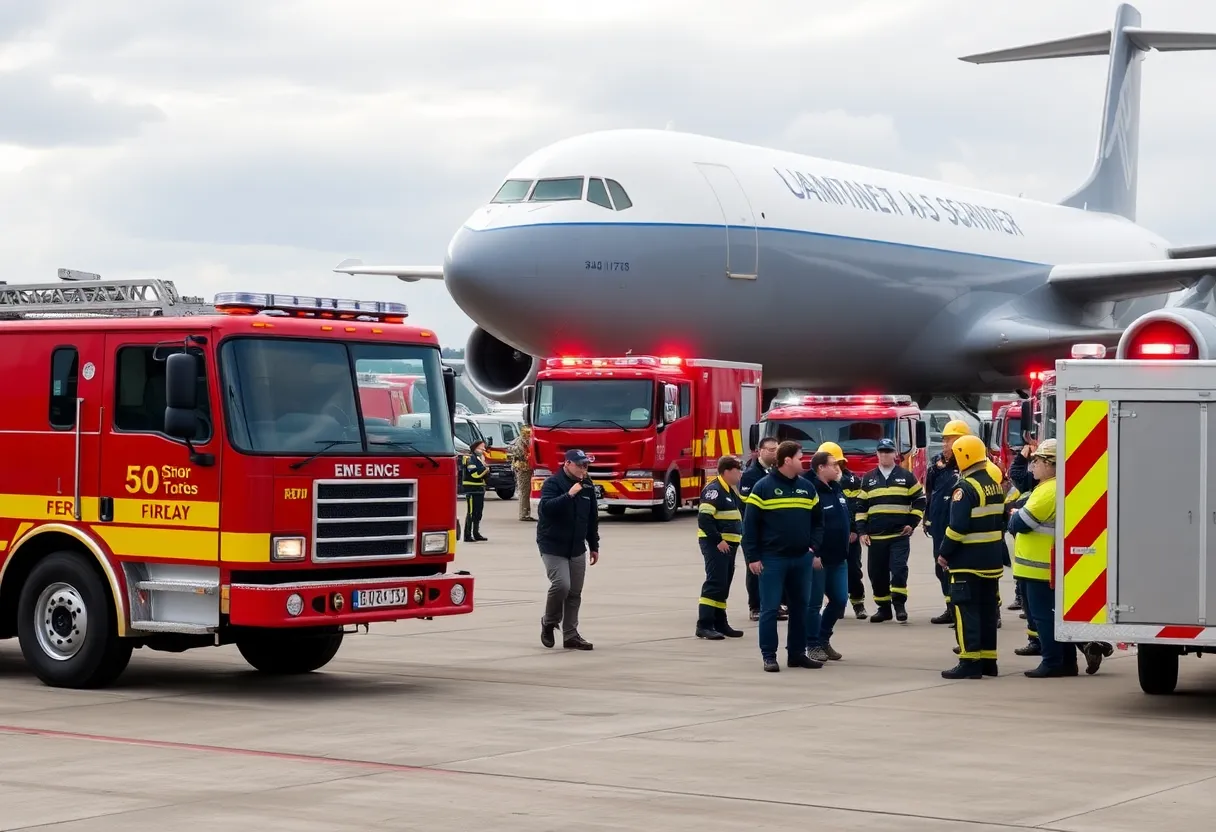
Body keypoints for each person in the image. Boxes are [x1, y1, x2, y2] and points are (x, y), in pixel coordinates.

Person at [741, 440, 825, 673]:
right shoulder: (763, 487)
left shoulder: (807, 488)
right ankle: (769, 656)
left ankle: (797, 654)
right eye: (800, 457)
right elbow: (750, 526)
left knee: (800, 607)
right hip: (772, 560)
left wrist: (812, 548)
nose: (803, 461)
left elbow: (819, 521)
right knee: (769, 609)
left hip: (801, 558)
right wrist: (753, 557)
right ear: (787, 460)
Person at [1007, 440, 1079, 677]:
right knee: (1056, 617)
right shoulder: (1055, 487)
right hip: (1045, 568)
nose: (1033, 465)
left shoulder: (1048, 490)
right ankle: (1067, 661)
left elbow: (1020, 523)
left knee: (1043, 618)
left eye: (1037, 461)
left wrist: (1015, 515)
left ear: (1050, 464)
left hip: (1039, 570)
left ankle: (1051, 662)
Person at [937, 434, 1005, 680]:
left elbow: (957, 527)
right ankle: (988, 661)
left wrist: (944, 553)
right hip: (991, 562)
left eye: (955, 453)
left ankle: (969, 661)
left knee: (966, 612)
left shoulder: (964, 488)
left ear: (964, 455)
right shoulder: (993, 484)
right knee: (987, 611)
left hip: (967, 563)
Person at [856, 438, 926, 624]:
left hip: (899, 537)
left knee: (899, 570)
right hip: (876, 538)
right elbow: (861, 507)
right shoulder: (868, 478)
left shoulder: (907, 476)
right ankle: (884, 609)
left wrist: (912, 522)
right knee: (876, 574)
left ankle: (899, 606)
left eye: (888, 451)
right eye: (881, 451)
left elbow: (920, 500)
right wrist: (862, 531)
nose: (885, 454)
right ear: (877, 454)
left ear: (895, 454)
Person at [536, 449, 599, 651]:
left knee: (574, 592)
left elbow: (591, 518)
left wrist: (594, 545)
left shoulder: (588, 487)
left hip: (577, 546)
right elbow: (546, 509)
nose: (584, 469)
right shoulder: (553, 484)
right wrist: (569, 495)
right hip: (553, 545)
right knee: (561, 585)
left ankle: (571, 635)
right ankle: (549, 621)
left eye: (586, 465)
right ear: (567, 464)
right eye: (580, 465)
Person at [805, 449, 851, 662]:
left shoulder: (836, 488)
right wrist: (813, 552)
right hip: (819, 559)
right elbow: (808, 525)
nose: (838, 468)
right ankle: (812, 644)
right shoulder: (810, 490)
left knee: (840, 599)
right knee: (814, 604)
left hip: (838, 557)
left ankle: (824, 638)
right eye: (833, 464)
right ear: (821, 467)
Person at [924, 420, 971, 625]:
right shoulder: (937, 465)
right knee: (940, 568)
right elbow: (930, 492)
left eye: (949, 440)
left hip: (959, 527)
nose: (945, 445)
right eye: (944, 440)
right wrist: (928, 517)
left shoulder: (970, 464)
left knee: (962, 570)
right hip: (939, 524)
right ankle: (950, 608)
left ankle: (988, 611)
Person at [695, 455, 746, 640]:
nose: (740, 474)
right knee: (715, 582)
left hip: (729, 545)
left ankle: (720, 623)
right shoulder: (714, 491)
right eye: (737, 470)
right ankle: (704, 625)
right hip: (716, 544)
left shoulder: (730, 491)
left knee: (724, 584)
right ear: (727, 471)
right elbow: (704, 519)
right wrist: (718, 540)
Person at [740, 437, 787, 622]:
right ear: (760, 451)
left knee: (775, 570)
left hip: (774, 533)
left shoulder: (778, 473)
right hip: (755, 531)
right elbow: (746, 506)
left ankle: (775, 605)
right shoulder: (751, 475)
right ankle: (755, 606)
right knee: (755, 569)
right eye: (770, 449)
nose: (774, 452)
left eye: (777, 449)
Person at [821, 441, 868, 620]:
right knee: (827, 572)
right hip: (828, 537)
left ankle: (858, 603)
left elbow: (857, 507)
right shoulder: (818, 484)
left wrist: (855, 530)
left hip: (850, 536)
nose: (834, 467)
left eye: (836, 463)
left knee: (854, 571)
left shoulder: (853, 481)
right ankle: (836, 604)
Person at [462, 440, 489, 542]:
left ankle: (476, 533)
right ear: (475, 448)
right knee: (471, 512)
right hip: (472, 489)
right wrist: (485, 470)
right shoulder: (469, 459)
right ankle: (467, 535)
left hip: (479, 489)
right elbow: (474, 474)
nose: (484, 450)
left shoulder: (478, 458)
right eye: (482, 448)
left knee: (478, 512)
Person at [509, 424, 534, 521]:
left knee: (526, 491)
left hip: (527, 467)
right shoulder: (521, 442)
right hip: (523, 468)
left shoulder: (525, 441)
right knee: (524, 491)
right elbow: (520, 454)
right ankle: (524, 514)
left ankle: (526, 513)